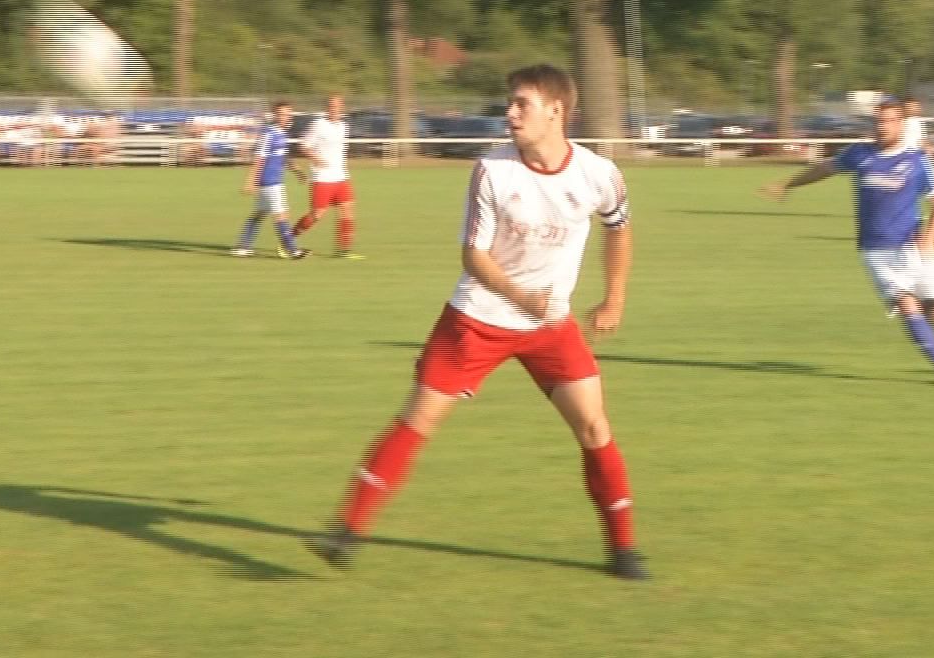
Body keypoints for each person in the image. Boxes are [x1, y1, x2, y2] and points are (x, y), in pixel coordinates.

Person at [305, 64, 648, 580]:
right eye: (509, 103)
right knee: (420, 416)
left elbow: (619, 228)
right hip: (477, 319)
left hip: (550, 328)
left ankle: (624, 551)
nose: (509, 113)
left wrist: (614, 299)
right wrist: (517, 294)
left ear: (556, 111)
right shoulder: (494, 168)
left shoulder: (598, 174)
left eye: (521, 104)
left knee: (595, 426)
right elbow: (473, 254)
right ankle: (345, 531)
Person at [761, 96, 934, 385]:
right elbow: (825, 168)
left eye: (890, 121)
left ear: (902, 124)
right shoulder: (860, 154)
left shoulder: (918, 161)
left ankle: (919, 320)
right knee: (907, 306)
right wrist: (787, 184)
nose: (882, 127)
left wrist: (930, 239)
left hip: (915, 248)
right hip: (877, 250)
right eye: (878, 121)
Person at [231, 102, 307, 259]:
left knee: (259, 213)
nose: (285, 117)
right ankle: (292, 250)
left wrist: (296, 170)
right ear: (275, 115)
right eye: (281, 114)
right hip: (270, 181)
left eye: (287, 114)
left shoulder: (282, 134)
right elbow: (259, 158)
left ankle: (243, 247)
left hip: (271, 181)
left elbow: (283, 156)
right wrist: (251, 180)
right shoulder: (268, 134)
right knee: (282, 215)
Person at [293, 95, 361, 259]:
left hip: (341, 177)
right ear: (326, 108)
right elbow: (303, 145)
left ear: (342, 108)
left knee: (348, 209)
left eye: (338, 106)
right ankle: (289, 239)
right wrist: (316, 159)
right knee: (317, 215)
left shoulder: (343, 126)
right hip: (322, 178)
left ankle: (343, 249)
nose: (335, 109)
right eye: (331, 106)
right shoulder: (318, 125)